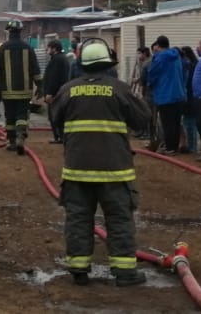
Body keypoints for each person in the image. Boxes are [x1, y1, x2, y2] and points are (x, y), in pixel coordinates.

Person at [50, 40, 151, 287]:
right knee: (118, 219)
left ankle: (79, 270)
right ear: (107, 64)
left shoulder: (68, 90)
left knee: (78, 219)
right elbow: (143, 119)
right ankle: (125, 272)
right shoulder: (120, 89)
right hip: (114, 171)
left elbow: (54, 119)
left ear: (82, 65)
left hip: (77, 171)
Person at [0, 20, 42, 156]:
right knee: (22, 115)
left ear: (9, 32)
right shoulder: (28, 48)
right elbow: (35, 69)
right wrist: (41, 87)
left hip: (7, 91)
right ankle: (21, 135)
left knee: (10, 116)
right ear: (20, 31)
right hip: (25, 91)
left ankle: (12, 141)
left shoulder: (2, 48)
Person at [147, 36, 185, 156]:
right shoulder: (177, 56)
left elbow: (152, 74)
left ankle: (169, 148)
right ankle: (174, 147)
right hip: (179, 93)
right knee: (176, 122)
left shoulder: (160, 58)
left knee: (167, 123)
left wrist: (149, 84)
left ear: (158, 45)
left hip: (165, 95)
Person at [42, 40, 70, 144]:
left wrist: (50, 93)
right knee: (59, 115)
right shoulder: (62, 58)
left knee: (55, 116)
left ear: (54, 48)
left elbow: (54, 78)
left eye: (48, 47)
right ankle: (60, 136)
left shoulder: (57, 60)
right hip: (61, 92)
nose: (47, 49)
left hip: (56, 94)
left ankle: (58, 137)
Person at [179, 46, 199, 153]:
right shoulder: (194, 65)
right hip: (191, 96)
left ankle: (192, 146)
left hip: (190, 97)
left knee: (190, 123)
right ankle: (191, 145)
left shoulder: (190, 66)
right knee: (189, 123)